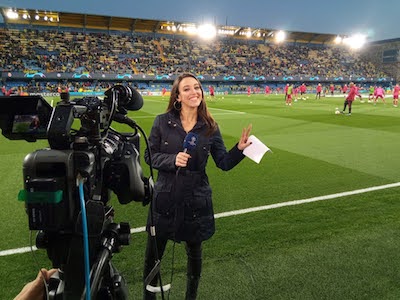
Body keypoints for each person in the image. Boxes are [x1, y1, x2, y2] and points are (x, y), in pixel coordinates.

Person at [143, 73, 252, 300]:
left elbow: (223, 163)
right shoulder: (162, 122)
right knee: (154, 254)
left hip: (196, 199)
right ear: (178, 96)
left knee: (194, 253)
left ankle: (191, 296)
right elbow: (149, 155)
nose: (194, 92)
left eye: (197, 87)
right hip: (165, 198)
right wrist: (172, 160)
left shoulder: (210, 126)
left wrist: (239, 150)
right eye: (187, 89)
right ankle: (149, 296)